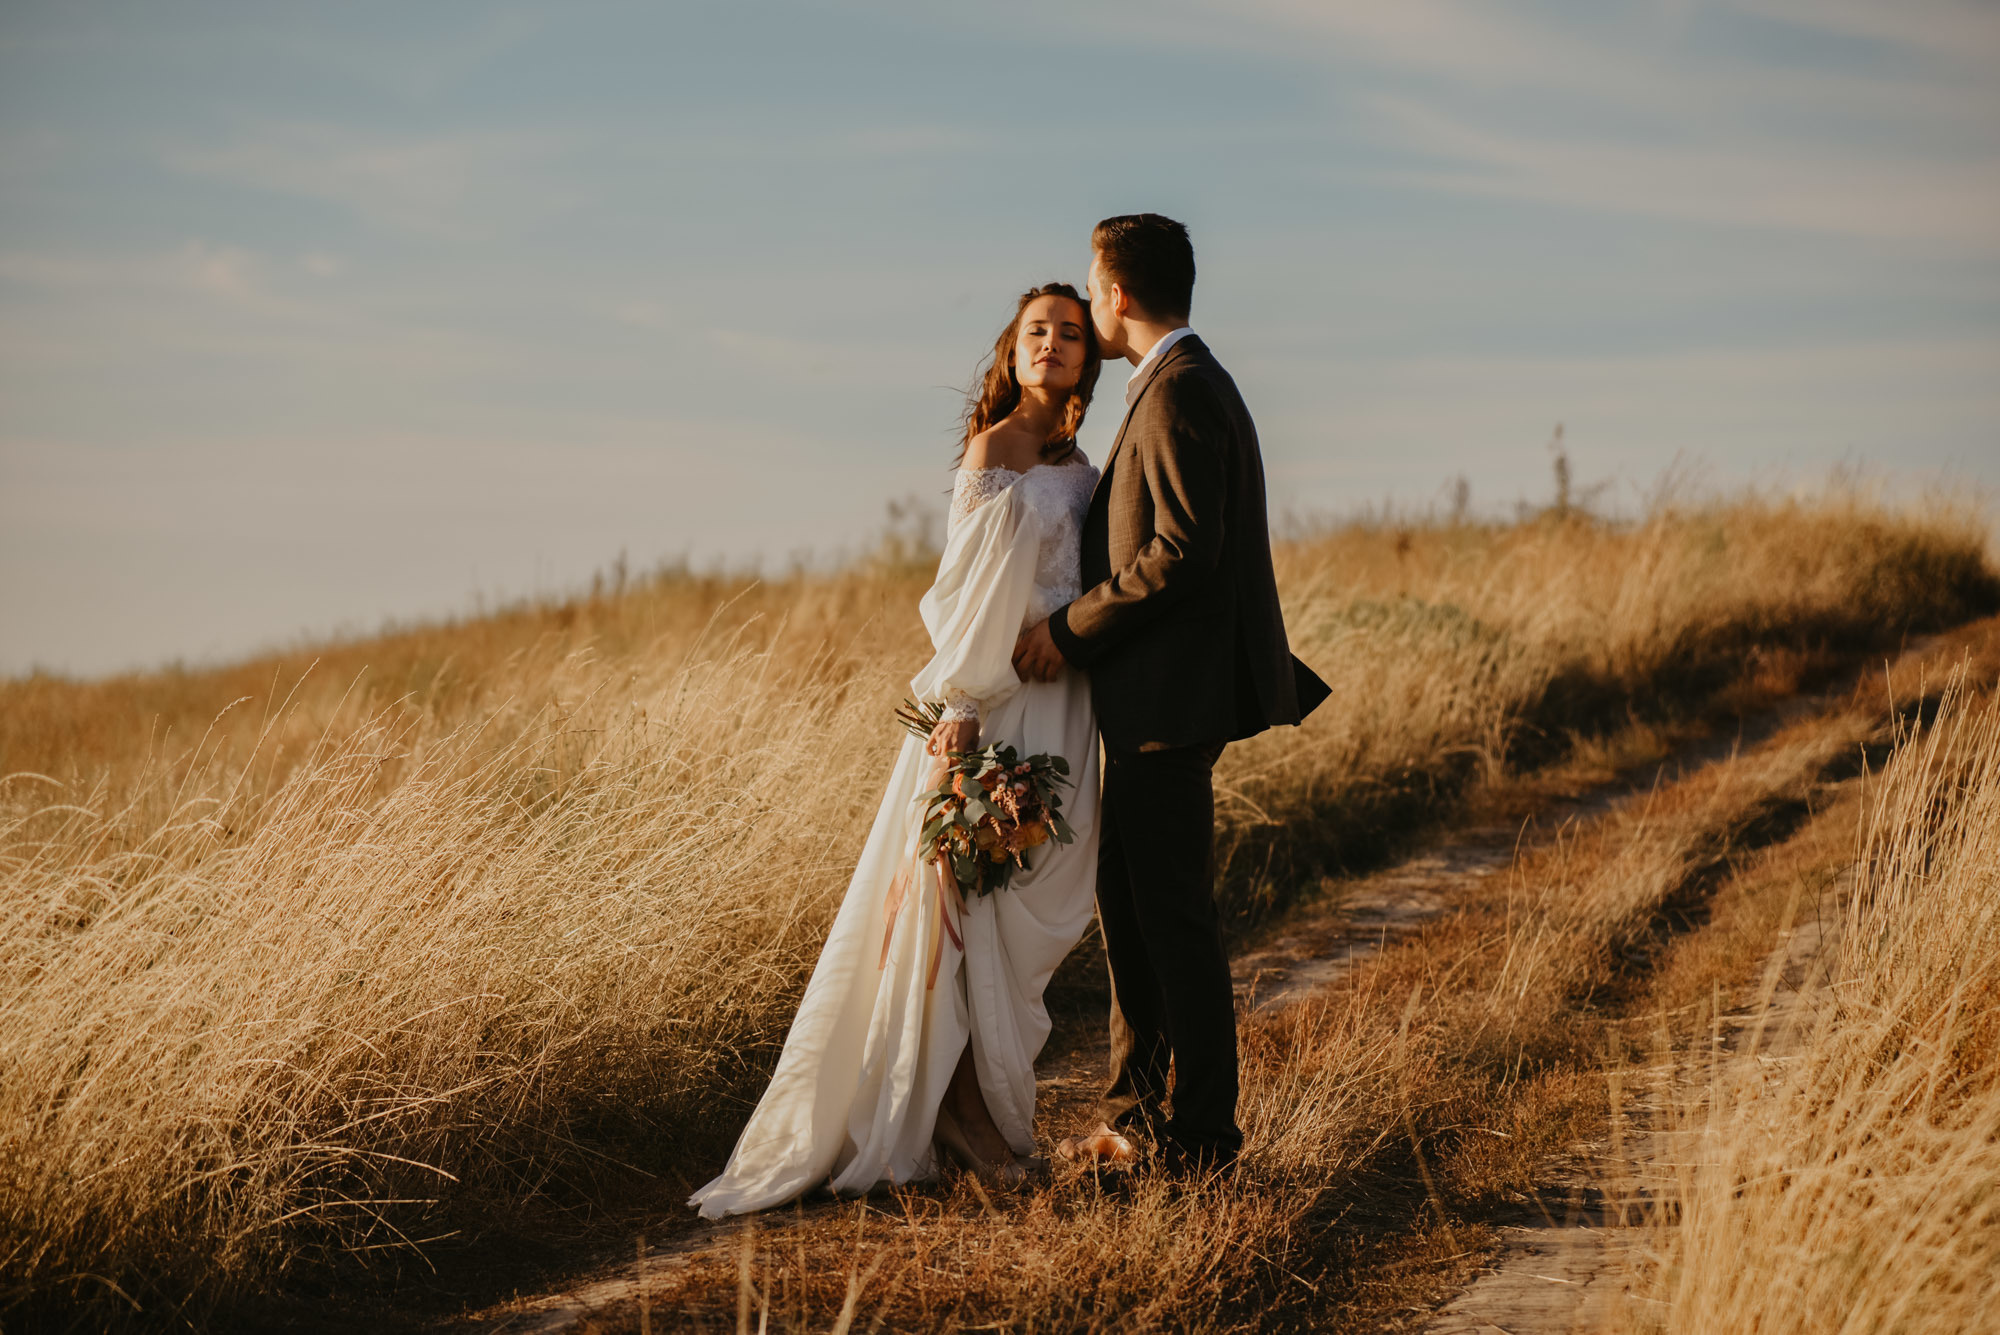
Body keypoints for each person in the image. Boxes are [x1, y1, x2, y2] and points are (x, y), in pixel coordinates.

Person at [690, 284, 1106, 1217]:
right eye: (1038, 330)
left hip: (1066, 701)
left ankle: (984, 1114)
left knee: (1034, 910)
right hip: (995, 698)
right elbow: (961, 594)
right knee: (967, 918)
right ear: (1013, 348)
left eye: (1071, 334)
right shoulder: (994, 449)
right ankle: (972, 1127)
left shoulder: (1084, 465)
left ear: (1089, 359)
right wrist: (958, 703)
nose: (1053, 343)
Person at [1013, 214, 1330, 1175]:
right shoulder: (1173, 384)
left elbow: (1183, 553)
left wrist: (1067, 631)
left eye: (1092, 297)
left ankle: (1198, 1137)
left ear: (1114, 294)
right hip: (1153, 701)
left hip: (1170, 703)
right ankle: (1138, 1113)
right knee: (1137, 906)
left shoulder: (1184, 390)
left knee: (1173, 918)